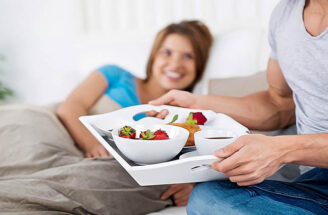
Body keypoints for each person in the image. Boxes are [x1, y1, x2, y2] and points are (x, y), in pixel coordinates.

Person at [149, 0, 328, 214]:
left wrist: (282, 149)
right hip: (315, 183)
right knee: (208, 198)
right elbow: (279, 105)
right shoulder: (284, 14)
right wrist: (197, 104)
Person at [57, 20, 213, 208]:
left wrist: (191, 185)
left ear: (200, 65)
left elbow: (195, 160)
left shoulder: (189, 116)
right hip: (58, 128)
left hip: (93, 168)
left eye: (188, 56)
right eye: (167, 52)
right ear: (154, 55)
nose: (175, 64)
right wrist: (93, 144)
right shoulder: (114, 74)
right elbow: (70, 106)